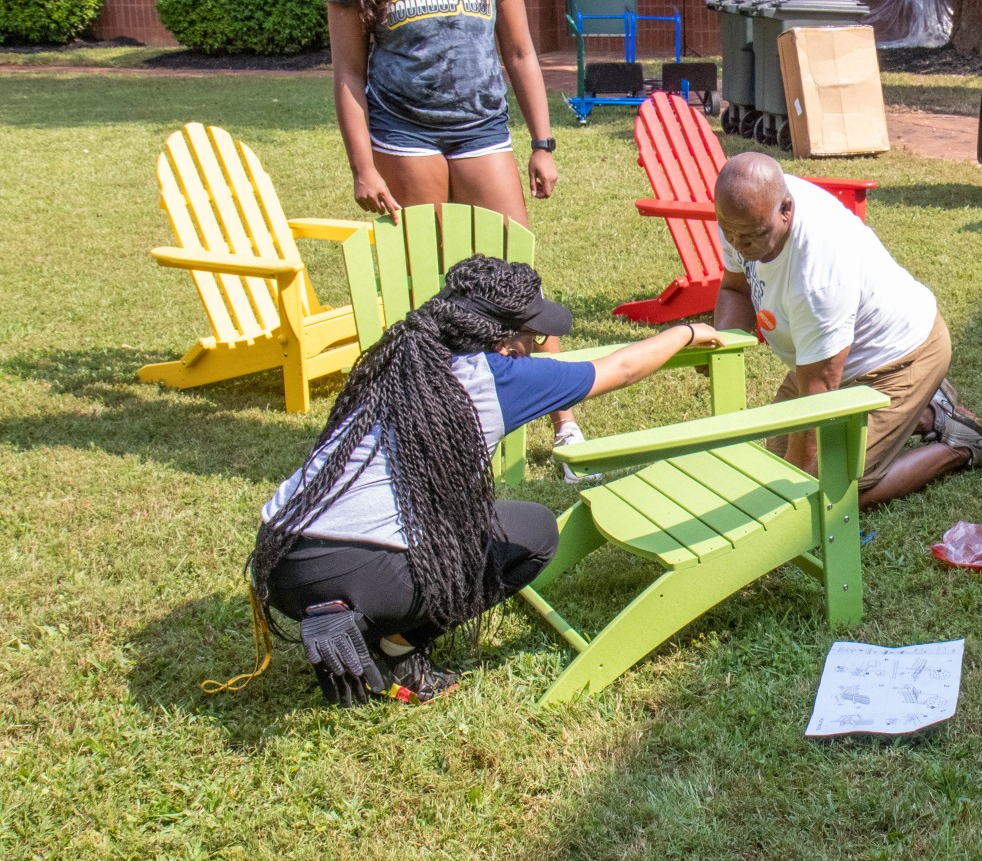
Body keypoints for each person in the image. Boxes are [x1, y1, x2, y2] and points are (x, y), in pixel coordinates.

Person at [244, 255, 726, 705]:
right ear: (503, 342)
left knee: (442, 525)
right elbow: (620, 369)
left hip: (279, 557)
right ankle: (394, 651)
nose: (537, 348)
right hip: (359, 567)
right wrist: (685, 331)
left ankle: (343, 613)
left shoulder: (404, 353)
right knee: (535, 533)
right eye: (532, 338)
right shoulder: (496, 377)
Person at [324, 0, 591, 477]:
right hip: (402, 134)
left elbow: (521, 53)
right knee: (431, 278)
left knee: (515, 269)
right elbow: (346, 73)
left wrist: (543, 142)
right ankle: (439, 417)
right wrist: (362, 165)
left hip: (481, 130)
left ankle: (564, 420)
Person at [712, 153, 982, 507]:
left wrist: (791, 505)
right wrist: (721, 346)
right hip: (822, 360)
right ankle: (927, 414)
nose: (738, 244)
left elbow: (818, 395)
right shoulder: (744, 210)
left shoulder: (818, 275)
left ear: (786, 209)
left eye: (752, 235)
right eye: (730, 231)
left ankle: (961, 446)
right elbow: (736, 288)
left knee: (830, 489)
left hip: (900, 357)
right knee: (771, 468)